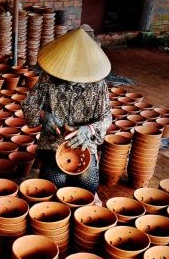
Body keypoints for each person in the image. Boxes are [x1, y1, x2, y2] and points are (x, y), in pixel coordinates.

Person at [21, 28, 112, 194]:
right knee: (55, 182)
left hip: (84, 141)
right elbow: (28, 105)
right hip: (53, 142)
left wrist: (89, 129)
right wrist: (43, 116)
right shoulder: (48, 78)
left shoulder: (98, 85)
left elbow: (106, 117)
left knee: (87, 182)